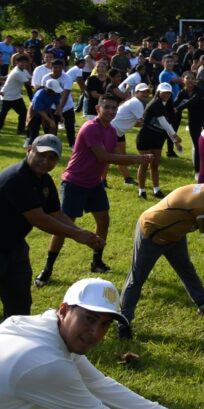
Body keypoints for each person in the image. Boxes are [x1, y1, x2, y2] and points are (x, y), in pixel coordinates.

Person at [0, 278, 199, 409]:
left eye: (105, 324)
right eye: (90, 318)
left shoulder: (32, 326)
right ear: (63, 310)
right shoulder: (48, 364)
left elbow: (98, 384)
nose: (95, 333)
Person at [35, 96, 154, 287]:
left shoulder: (112, 130)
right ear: (98, 108)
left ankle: (97, 261)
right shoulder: (90, 128)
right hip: (74, 183)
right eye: (106, 107)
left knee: (104, 220)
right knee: (64, 227)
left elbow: (116, 155)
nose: (111, 111)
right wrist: (137, 159)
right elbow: (104, 156)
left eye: (114, 108)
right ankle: (47, 269)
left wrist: (137, 161)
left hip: (94, 184)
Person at [117, 177, 204, 339]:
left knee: (186, 270)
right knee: (137, 278)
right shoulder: (203, 205)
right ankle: (123, 322)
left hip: (176, 234)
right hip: (152, 232)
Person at [0, 136, 104, 319]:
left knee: (20, 300)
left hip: (14, 245)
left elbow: (56, 214)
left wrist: (82, 233)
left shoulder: (44, 180)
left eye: (52, 158)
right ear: (29, 150)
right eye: (41, 155)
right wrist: (77, 235)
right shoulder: (16, 178)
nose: (46, 161)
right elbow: (40, 219)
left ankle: (15, 336)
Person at [134, 83, 180, 199]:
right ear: (158, 92)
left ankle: (156, 190)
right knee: (144, 164)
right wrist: (175, 136)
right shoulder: (155, 103)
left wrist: (175, 142)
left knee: (155, 165)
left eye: (169, 92)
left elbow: (168, 124)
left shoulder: (169, 106)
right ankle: (142, 191)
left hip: (159, 138)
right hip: (145, 136)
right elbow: (164, 123)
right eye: (164, 92)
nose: (166, 94)